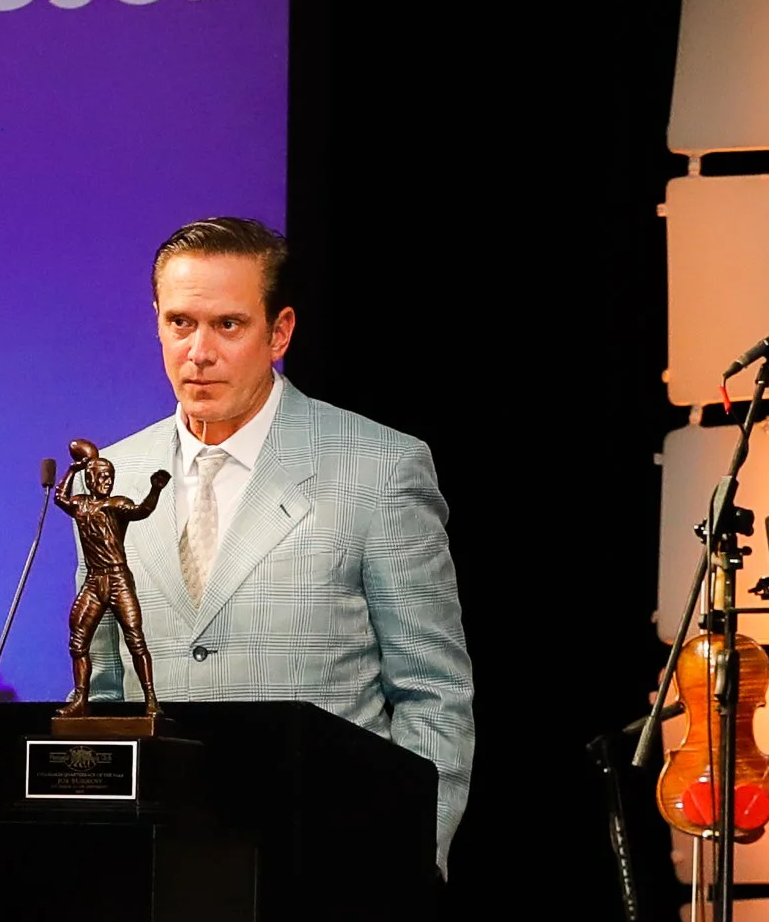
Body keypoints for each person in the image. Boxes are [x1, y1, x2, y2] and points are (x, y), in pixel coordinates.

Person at [87, 217, 473, 867]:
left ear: (281, 331)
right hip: (155, 877)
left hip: (329, 871)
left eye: (227, 325)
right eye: (180, 322)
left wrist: (402, 870)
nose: (199, 351)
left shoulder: (378, 469)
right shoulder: (110, 478)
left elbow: (432, 695)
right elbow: (100, 696)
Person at [54, 441, 168, 716]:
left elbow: (142, 511)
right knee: (78, 641)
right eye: (102, 476)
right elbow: (60, 497)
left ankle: (151, 699)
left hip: (117, 579)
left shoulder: (117, 505)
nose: (107, 481)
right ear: (90, 480)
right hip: (95, 581)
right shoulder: (80, 505)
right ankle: (81, 699)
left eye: (110, 477)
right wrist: (73, 469)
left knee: (134, 638)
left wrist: (155, 489)